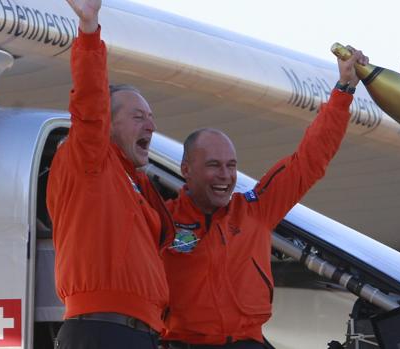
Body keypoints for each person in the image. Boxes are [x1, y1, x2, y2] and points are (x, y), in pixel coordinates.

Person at [162, 48, 368, 348]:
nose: (225, 175)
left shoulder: (255, 211)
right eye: (213, 165)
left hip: (248, 342)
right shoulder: (159, 218)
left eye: (231, 166)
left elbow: (309, 160)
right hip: (183, 343)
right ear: (186, 169)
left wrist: (344, 89)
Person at [46, 0, 173, 348]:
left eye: (150, 116)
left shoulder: (135, 183)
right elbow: (88, 102)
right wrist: (89, 30)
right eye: (138, 117)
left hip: (138, 333)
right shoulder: (90, 160)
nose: (151, 124)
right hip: (104, 332)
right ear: (108, 123)